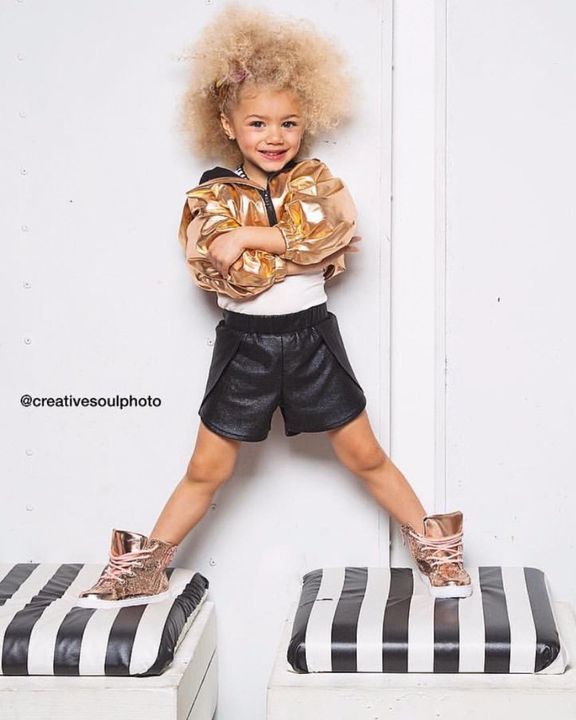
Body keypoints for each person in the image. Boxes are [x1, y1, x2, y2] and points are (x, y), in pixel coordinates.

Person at [76, 3, 472, 609]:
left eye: (288, 123)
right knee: (208, 468)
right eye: (258, 123)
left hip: (312, 340)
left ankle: (433, 545)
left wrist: (261, 238)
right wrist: (298, 248)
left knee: (364, 454)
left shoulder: (315, 179)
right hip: (246, 346)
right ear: (229, 125)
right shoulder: (210, 194)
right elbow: (232, 274)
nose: (275, 137)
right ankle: (147, 563)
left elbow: (330, 227)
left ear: (304, 122)